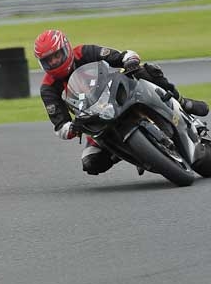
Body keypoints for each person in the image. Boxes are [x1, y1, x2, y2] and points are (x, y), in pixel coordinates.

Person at [34, 28, 209, 175]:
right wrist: (72, 128)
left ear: (67, 48)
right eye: (48, 60)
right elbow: (60, 126)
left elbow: (120, 55)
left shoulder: (84, 52)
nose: (54, 61)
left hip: (120, 94)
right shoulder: (48, 88)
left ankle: (181, 102)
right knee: (91, 163)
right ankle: (132, 152)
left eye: (57, 55)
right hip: (95, 120)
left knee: (147, 71)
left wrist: (129, 60)